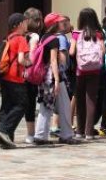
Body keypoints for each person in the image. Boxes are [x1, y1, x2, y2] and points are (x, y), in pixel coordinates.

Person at [33, 13, 80, 145]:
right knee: (64, 106)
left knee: (46, 105)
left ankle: (41, 135)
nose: (62, 23)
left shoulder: (44, 37)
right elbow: (54, 60)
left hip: (45, 77)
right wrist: (57, 80)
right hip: (53, 77)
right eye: (59, 22)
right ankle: (64, 135)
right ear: (54, 24)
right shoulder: (54, 40)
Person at [0, 13, 30, 149]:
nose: (27, 24)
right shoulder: (20, 39)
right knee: (22, 104)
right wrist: (29, 62)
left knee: (7, 107)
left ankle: (4, 139)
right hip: (15, 77)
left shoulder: (9, 38)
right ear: (19, 24)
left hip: (4, 77)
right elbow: (21, 60)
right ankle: (3, 129)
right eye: (25, 22)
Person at [70, 8, 104, 140]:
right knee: (91, 100)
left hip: (80, 70)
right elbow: (103, 50)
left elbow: (72, 52)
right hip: (95, 70)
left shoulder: (76, 34)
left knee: (80, 101)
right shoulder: (98, 34)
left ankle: (79, 131)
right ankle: (89, 132)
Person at [23, 7, 43, 144]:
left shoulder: (20, 35)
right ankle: (31, 134)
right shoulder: (35, 37)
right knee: (30, 104)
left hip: (18, 74)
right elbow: (32, 55)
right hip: (30, 73)